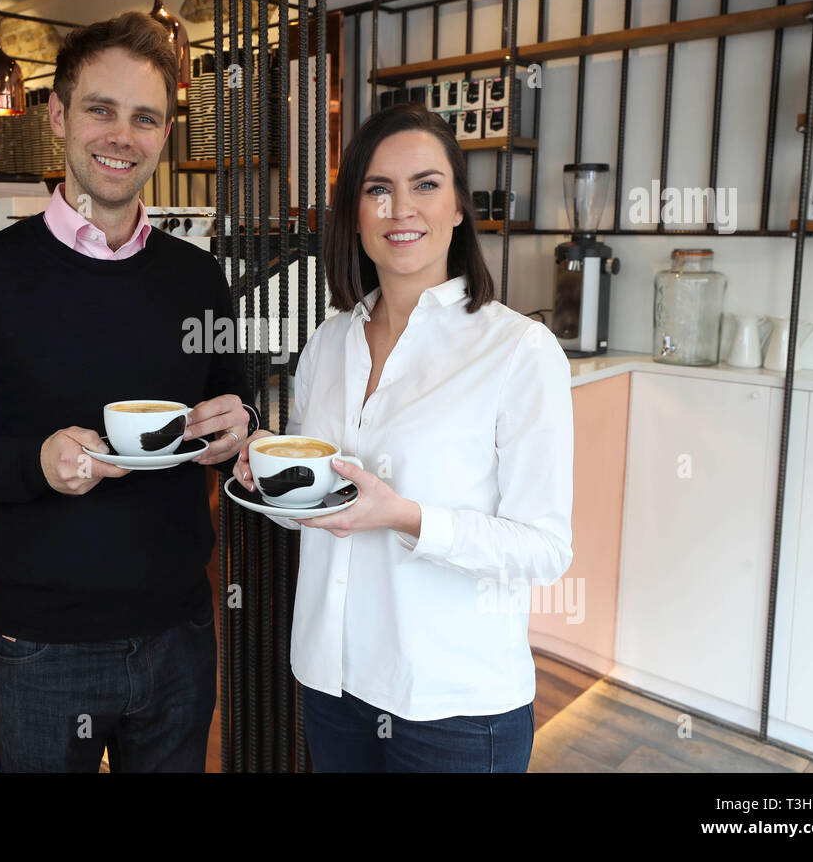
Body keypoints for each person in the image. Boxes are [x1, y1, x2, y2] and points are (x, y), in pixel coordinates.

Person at [0, 12, 254, 772]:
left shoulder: (197, 277)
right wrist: (36, 463)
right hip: (43, 645)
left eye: (145, 118)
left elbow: (234, 411)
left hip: (180, 633)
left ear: (165, 135)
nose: (122, 136)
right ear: (58, 115)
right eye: (101, 109)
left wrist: (241, 425)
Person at [235, 101, 574, 772]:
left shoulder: (518, 350)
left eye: (425, 185)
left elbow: (544, 551)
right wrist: (271, 486)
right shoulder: (329, 342)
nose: (400, 209)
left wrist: (406, 517)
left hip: (452, 704)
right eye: (378, 190)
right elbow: (319, 508)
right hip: (332, 682)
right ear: (356, 213)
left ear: (458, 207)